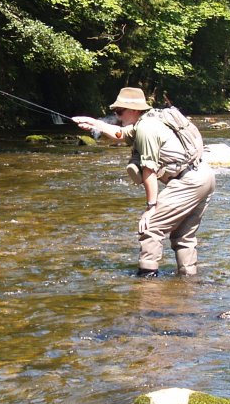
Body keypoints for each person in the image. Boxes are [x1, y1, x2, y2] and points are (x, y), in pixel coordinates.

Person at [72, 87, 215, 277]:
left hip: (189, 181)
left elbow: (149, 170)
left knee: (151, 227)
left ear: (133, 110)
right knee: (183, 236)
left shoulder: (146, 129)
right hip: (204, 175)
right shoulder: (150, 120)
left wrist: (151, 208)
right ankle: (188, 286)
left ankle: (146, 285)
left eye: (119, 111)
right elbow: (120, 134)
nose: (117, 116)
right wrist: (94, 123)